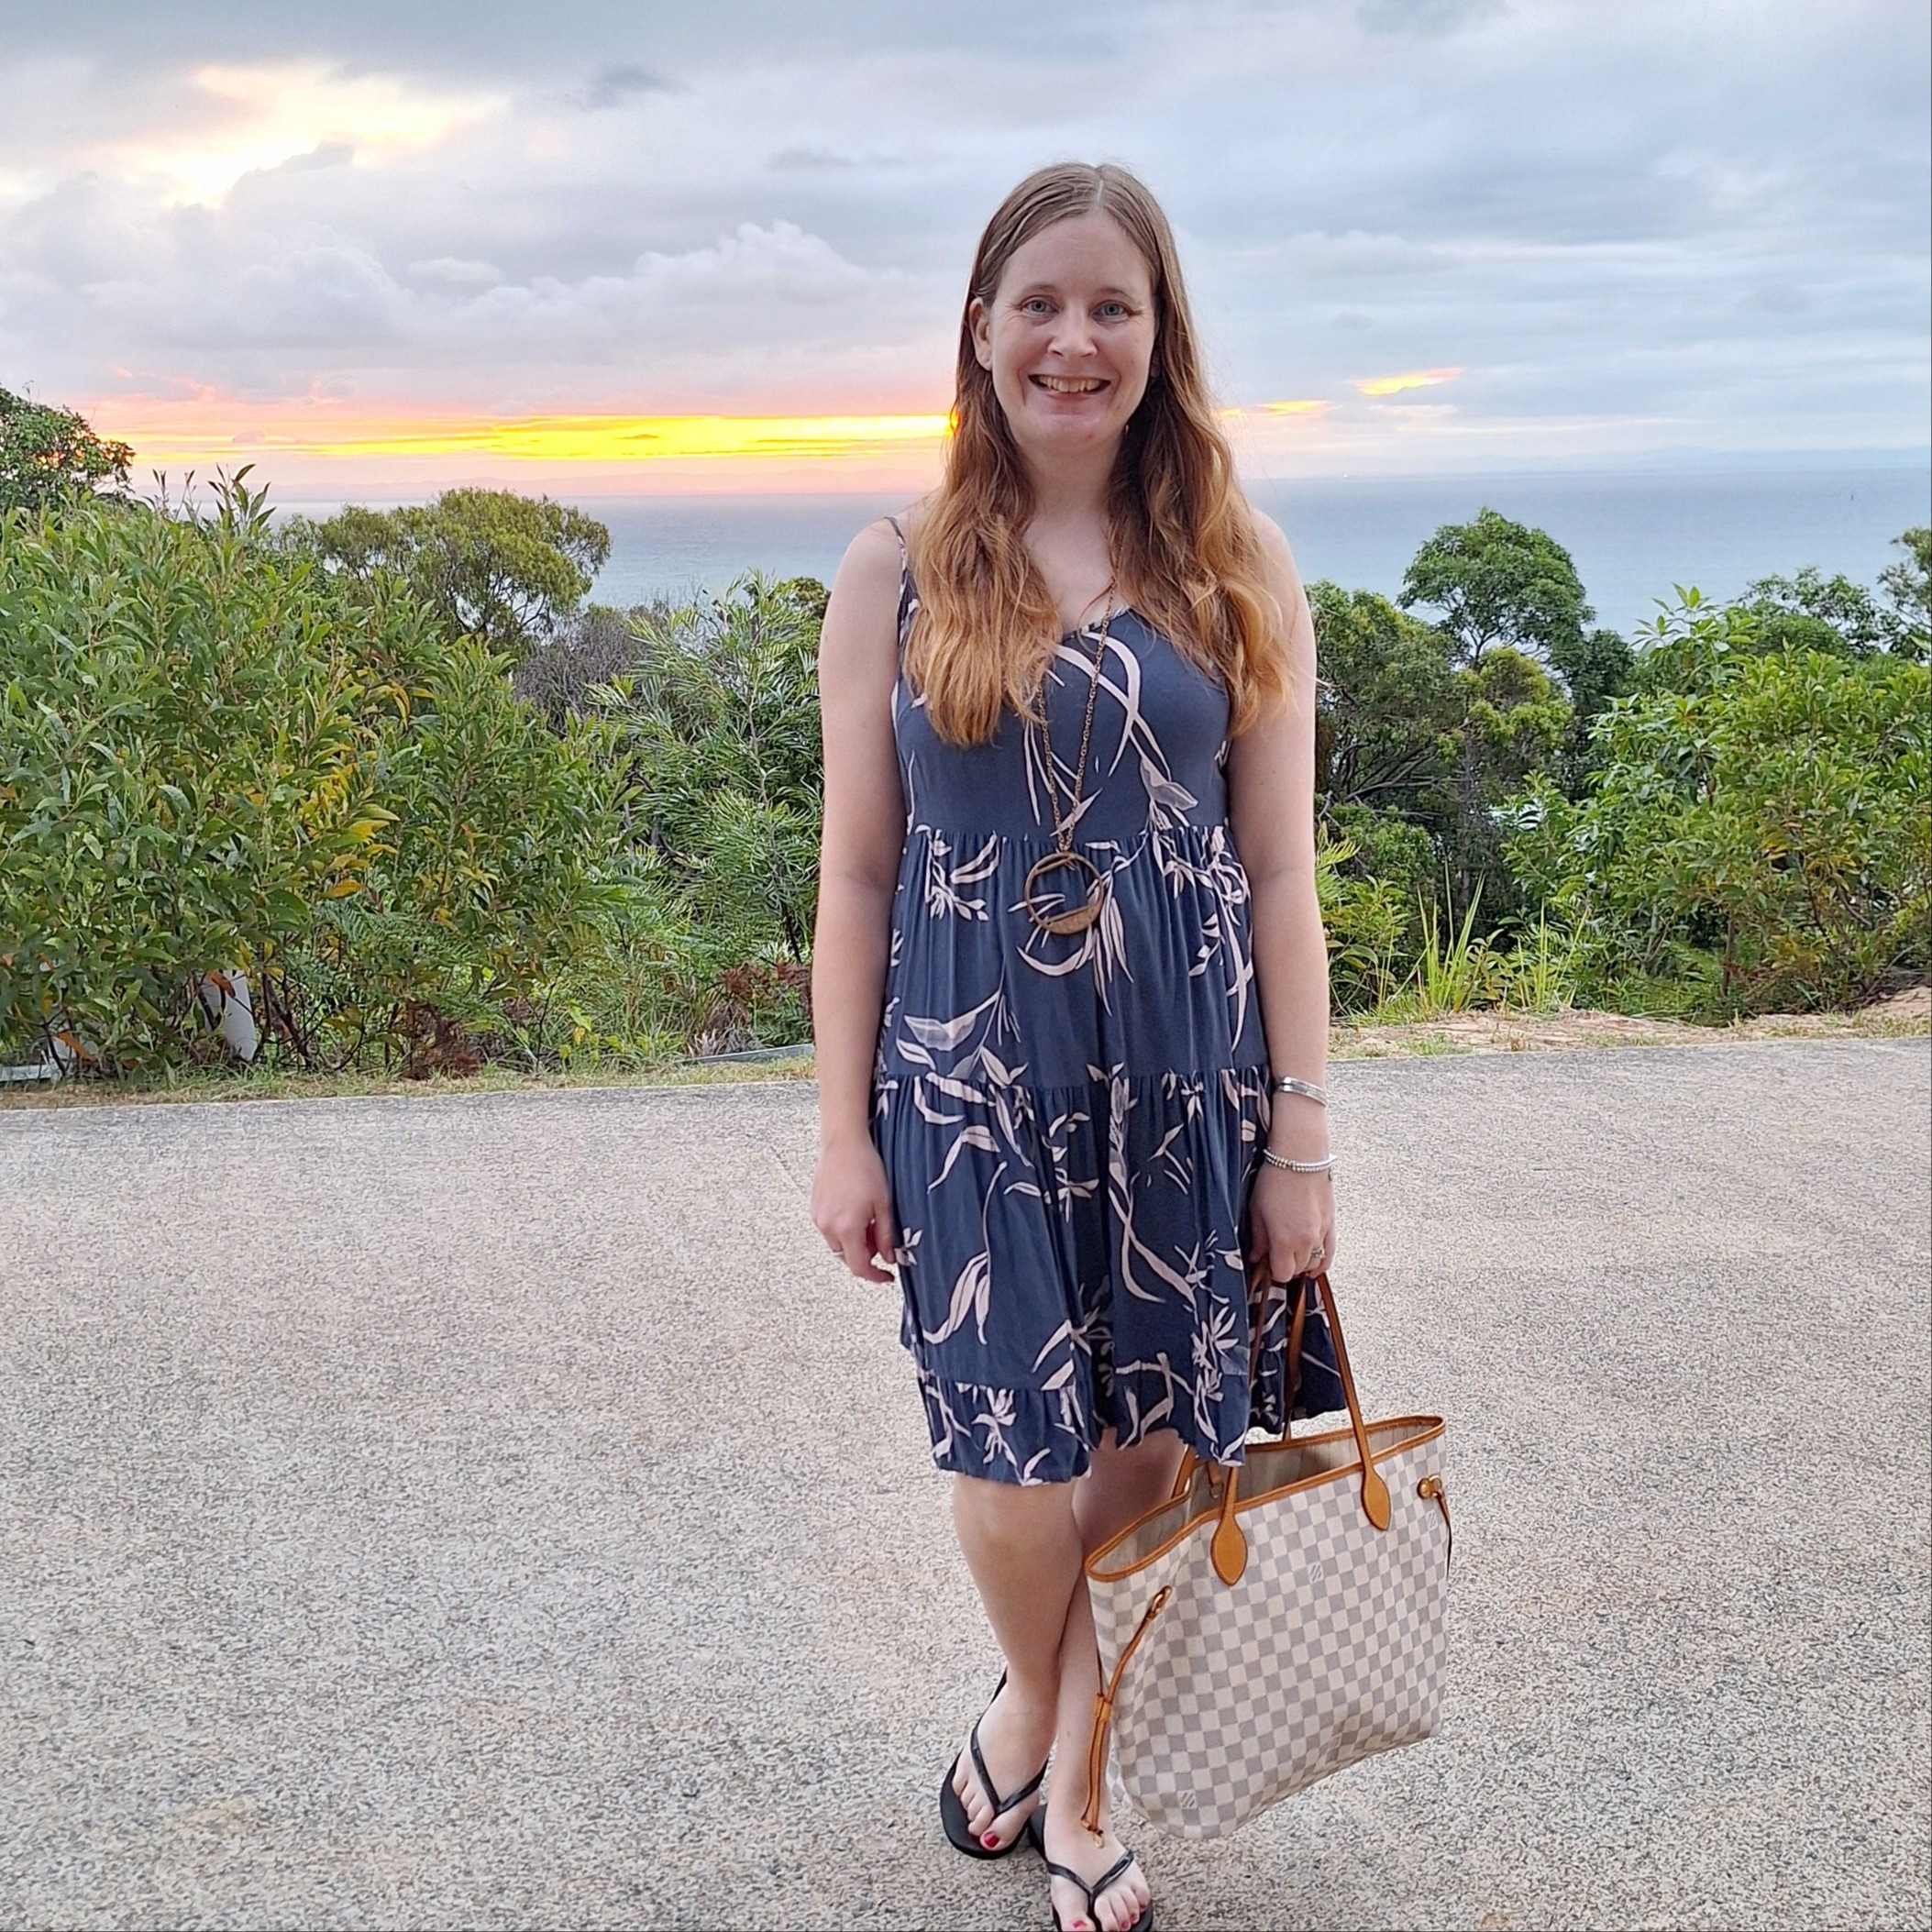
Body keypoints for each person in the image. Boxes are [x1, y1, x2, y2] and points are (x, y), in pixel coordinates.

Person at [810, 160, 1344, 1932]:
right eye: (1039, 302)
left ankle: (1080, 1762)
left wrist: (1305, 1140)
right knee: (1004, 1454)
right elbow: (860, 871)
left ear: (1159, 336)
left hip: (1187, 1073)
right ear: (979, 332)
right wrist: (840, 1129)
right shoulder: (889, 568)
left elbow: (1277, 871)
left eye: (1113, 305)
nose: (1073, 339)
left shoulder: (1235, 562)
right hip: (963, 1080)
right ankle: (1038, 1692)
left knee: (1143, 1450)